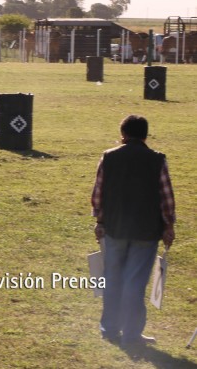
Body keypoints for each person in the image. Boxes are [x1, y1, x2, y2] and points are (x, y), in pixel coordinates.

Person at [91, 115, 175, 350]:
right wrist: (169, 225)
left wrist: (99, 221)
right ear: (145, 136)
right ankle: (131, 334)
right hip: (146, 232)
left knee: (113, 278)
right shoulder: (157, 160)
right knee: (135, 283)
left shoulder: (108, 157)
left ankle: (109, 329)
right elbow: (166, 197)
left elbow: (98, 192)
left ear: (123, 135)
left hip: (115, 229)